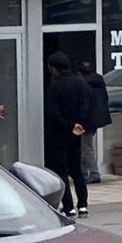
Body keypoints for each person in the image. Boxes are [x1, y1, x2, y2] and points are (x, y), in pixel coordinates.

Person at [43, 52, 93, 217]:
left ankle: (69, 206)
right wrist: (79, 124)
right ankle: (83, 205)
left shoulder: (55, 86)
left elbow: (53, 113)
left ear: (53, 69)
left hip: (59, 134)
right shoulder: (80, 82)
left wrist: (68, 125)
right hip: (76, 133)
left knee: (61, 171)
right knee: (76, 169)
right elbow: (87, 106)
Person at [78, 59, 111, 185]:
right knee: (85, 146)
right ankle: (85, 171)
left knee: (86, 147)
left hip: (87, 119)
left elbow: (83, 103)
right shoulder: (98, 79)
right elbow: (105, 98)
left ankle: (93, 173)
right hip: (97, 119)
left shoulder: (81, 82)